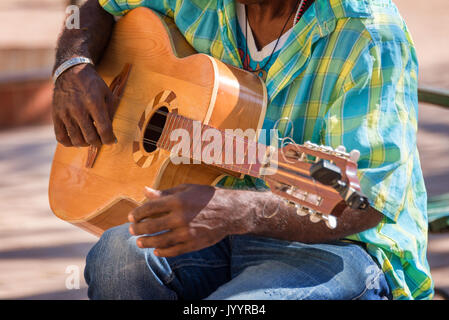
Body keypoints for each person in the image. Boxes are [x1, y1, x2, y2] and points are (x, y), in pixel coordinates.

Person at [51, 0, 433, 300]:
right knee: (117, 257)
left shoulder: (367, 32)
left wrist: (236, 211)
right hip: (216, 233)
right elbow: (95, 7)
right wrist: (72, 65)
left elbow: (362, 202)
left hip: (336, 247)